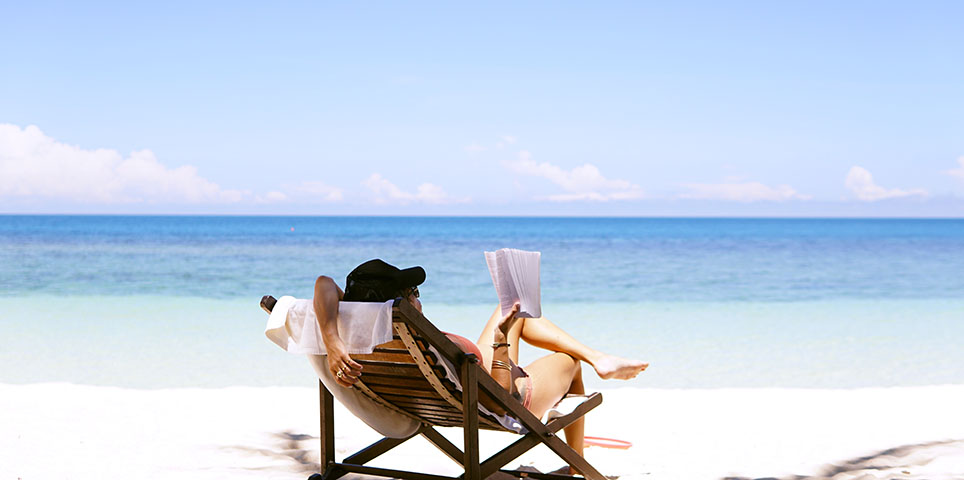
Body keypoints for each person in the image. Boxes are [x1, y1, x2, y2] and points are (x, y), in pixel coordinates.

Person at [313, 259, 648, 465]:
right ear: (401, 302)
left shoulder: (351, 327)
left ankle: (599, 358)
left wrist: (331, 342)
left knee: (512, 309)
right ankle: (578, 458)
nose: (417, 296)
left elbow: (324, 283)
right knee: (570, 362)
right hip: (499, 397)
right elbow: (501, 401)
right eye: (413, 290)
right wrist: (501, 342)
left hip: (445, 387)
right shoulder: (424, 337)